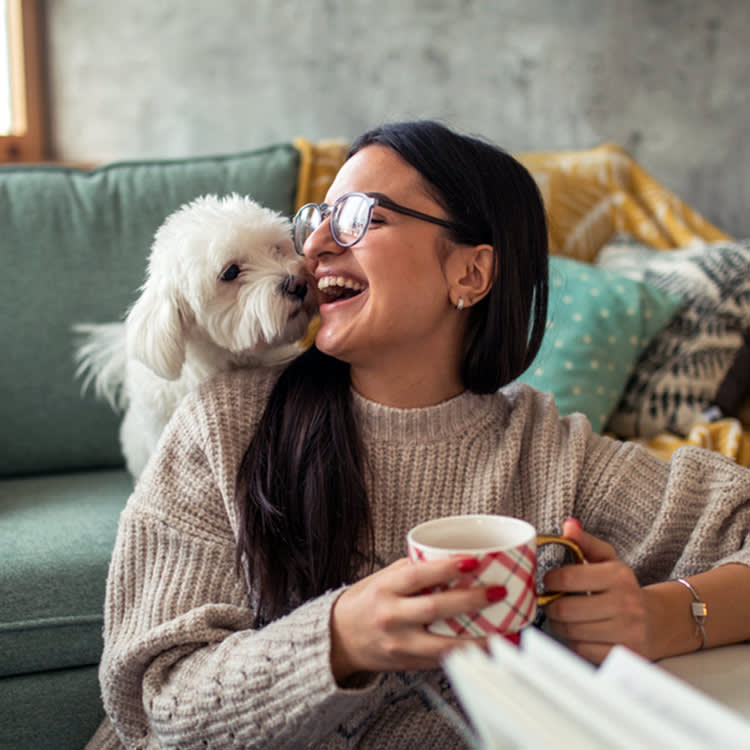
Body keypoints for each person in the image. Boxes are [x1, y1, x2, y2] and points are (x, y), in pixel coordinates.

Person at [87, 120, 750, 750]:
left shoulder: (551, 455)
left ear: (469, 273)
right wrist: (341, 640)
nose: (312, 249)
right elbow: (151, 701)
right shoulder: (224, 425)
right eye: (317, 219)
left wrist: (665, 616)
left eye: (354, 218)